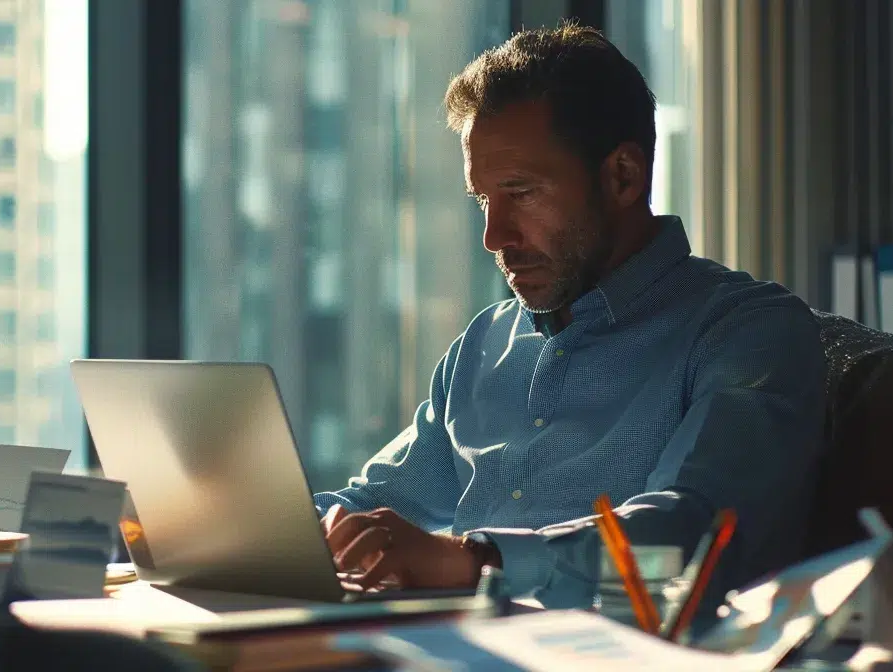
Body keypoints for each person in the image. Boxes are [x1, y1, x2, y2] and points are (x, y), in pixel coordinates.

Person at [313, 22, 824, 610]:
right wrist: (260, 532)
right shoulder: (486, 345)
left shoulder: (748, 334)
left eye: (521, 192)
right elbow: (375, 505)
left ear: (623, 177)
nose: (492, 235)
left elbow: (689, 546)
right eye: (484, 198)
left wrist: (475, 562)